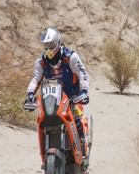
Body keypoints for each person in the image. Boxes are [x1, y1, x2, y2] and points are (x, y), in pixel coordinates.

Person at [24, 26, 90, 158]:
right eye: (45, 45)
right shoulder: (41, 62)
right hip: (52, 99)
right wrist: (30, 94)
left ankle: (82, 146)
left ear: (58, 43)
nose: (48, 48)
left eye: (51, 44)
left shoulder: (70, 57)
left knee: (76, 118)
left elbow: (83, 75)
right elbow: (36, 79)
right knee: (43, 119)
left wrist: (84, 91)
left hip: (72, 97)